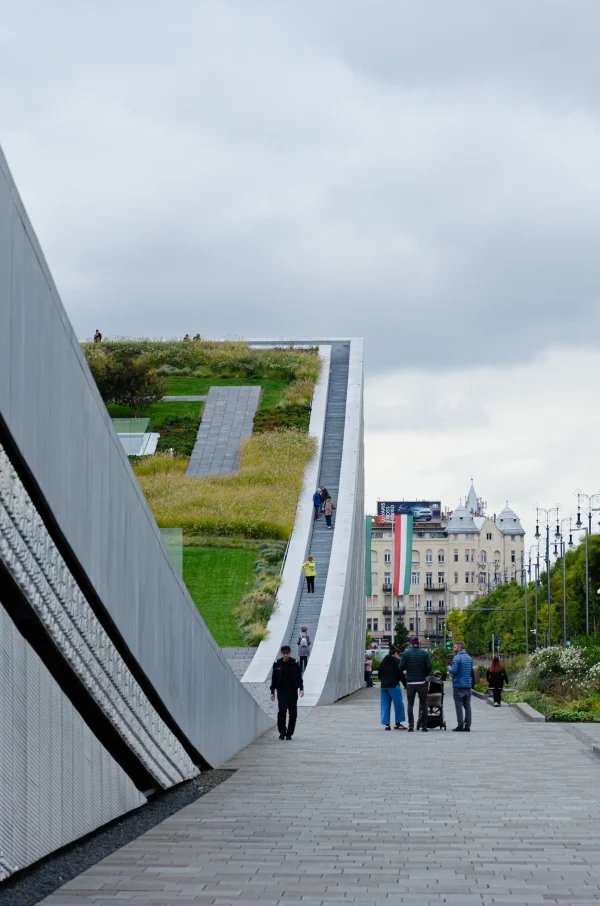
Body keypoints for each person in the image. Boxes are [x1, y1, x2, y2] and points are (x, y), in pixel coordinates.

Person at [270, 645, 304, 740]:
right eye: (284, 653)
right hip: (281, 692)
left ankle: (289, 733)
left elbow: (299, 677)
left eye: (287, 653)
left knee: (293, 713)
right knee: (281, 712)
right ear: (281, 653)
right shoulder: (277, 663)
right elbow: (274, 679)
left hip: (292, 691)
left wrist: (301, 689)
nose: (285, 655)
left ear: (290, 653)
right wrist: (272, 692)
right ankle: (282, 732)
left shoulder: (294, 663)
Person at [399, 637, 432, 732]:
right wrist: (424, 674)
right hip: (421, 682)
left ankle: (411, 726)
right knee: (424, 705)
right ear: (419, 643)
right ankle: (424, 726)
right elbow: (429, 666)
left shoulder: (406, 654)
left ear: (410, 644)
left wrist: (407, 669)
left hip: (410, 683)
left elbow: (401, 667)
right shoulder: (424, 653)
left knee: (410, 705)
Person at [377, 646, 406, 730]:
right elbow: (400, 674)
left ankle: (386, 724)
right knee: (398, 704)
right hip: (394, 685)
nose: (399, 656)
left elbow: (379, 673)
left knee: (385, 705)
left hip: (384, 686)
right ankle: (398, 723)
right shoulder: (396, 661)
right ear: (396, 653)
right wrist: (405, 685)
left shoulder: (383, 662)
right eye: (399, 655)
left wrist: (383, 680)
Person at [448, 640, 474, 731]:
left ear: (459, 648)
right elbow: (470, 671)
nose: (453, 649)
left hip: (458, 685)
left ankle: (460, 725)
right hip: (467, 684)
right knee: (467, 706)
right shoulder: (469, 658)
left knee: (458, 705)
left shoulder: (457, 658)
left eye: (454, 647)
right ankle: (468, 726)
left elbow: (454, 671)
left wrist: (449, 668)